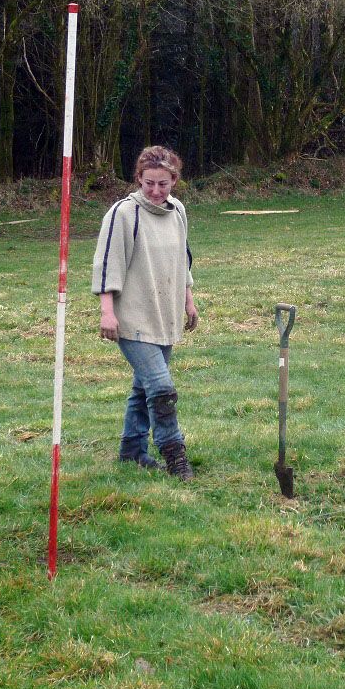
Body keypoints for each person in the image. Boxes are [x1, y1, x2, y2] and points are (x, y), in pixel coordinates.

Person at [92, 145, 199, 480]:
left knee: (144, 388)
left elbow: (183, 259)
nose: (155, 191)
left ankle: (131, 452)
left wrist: (188, 300)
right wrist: (106, 312)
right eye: (149, 183)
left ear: (174, 182)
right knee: (161, 388)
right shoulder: (123, 213)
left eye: (163, 184)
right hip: (132, 320)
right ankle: (175, 456)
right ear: (138, 178)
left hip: (164, 315)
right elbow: (107, 264)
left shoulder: (178, 211)